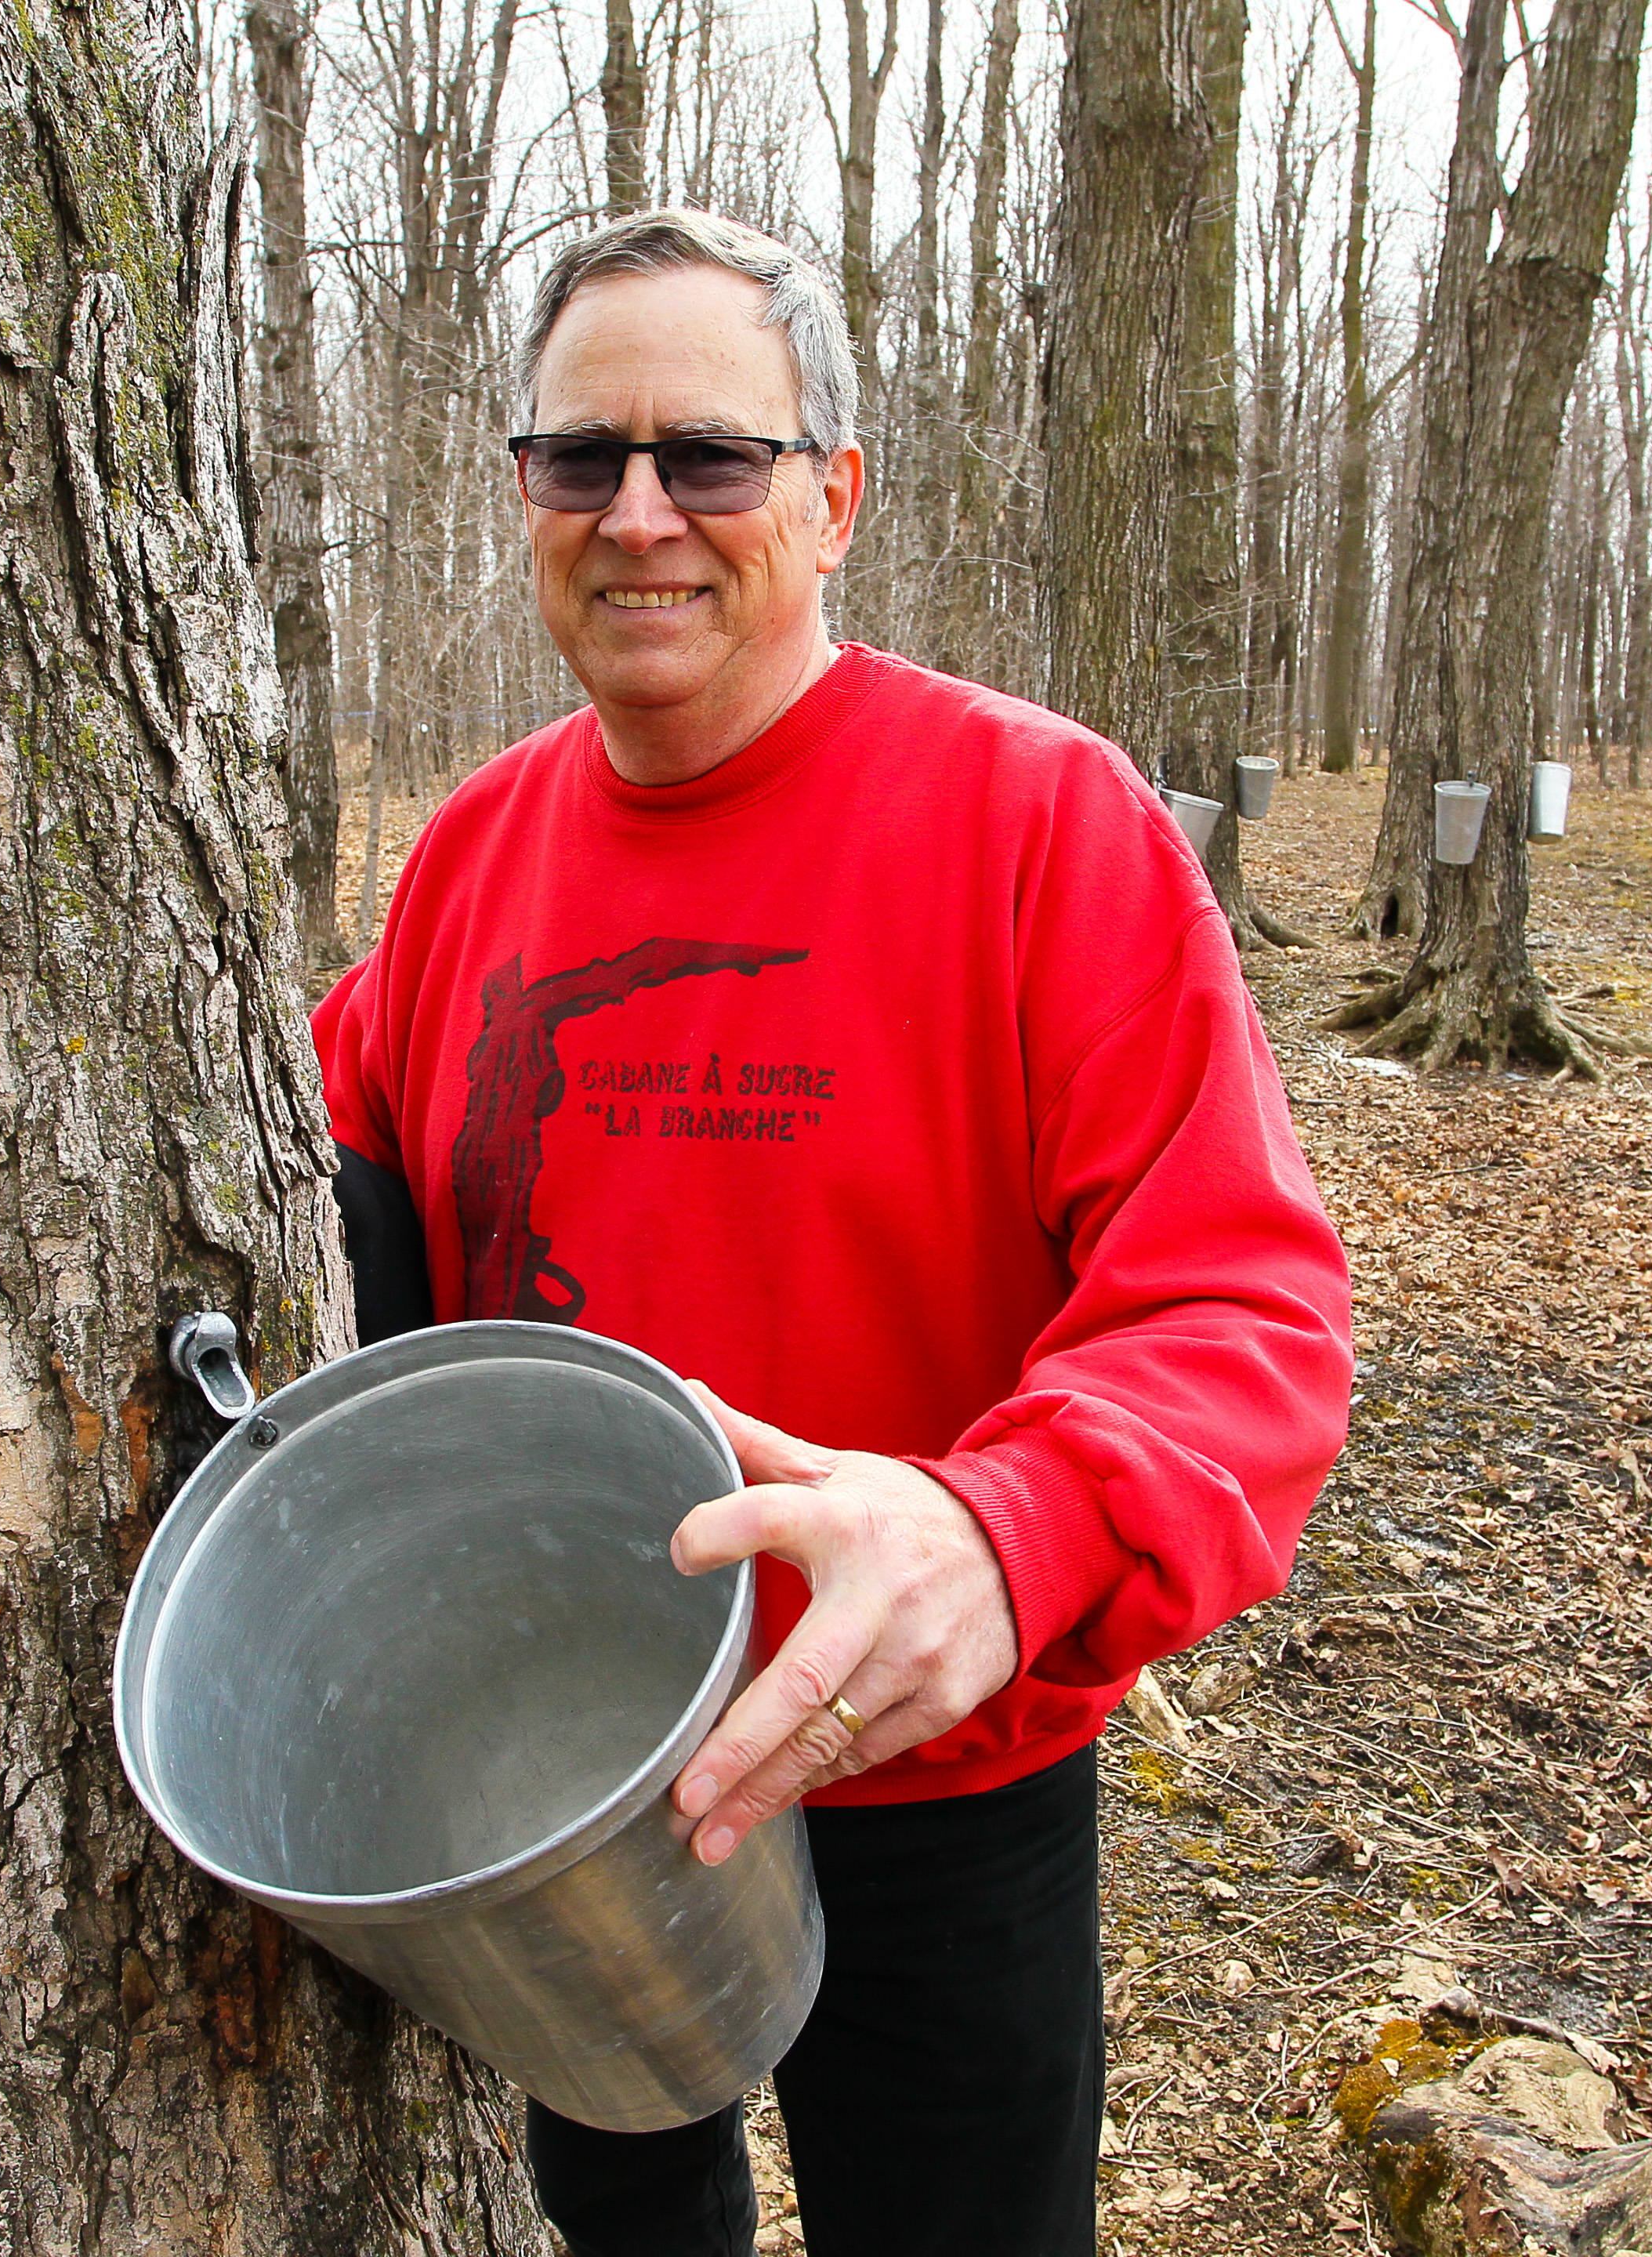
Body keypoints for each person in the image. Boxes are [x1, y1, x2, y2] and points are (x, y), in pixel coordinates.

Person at [310, 208, 1353, 2257]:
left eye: (708, 457)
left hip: (939, 1781)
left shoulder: (1042, 825)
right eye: (576, 460)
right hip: (562, 1799)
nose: (636, 517)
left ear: (834, 496)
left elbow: (1243, 1310)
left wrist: (1002, 1529)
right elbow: (328, 1206)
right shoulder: (471, 858)